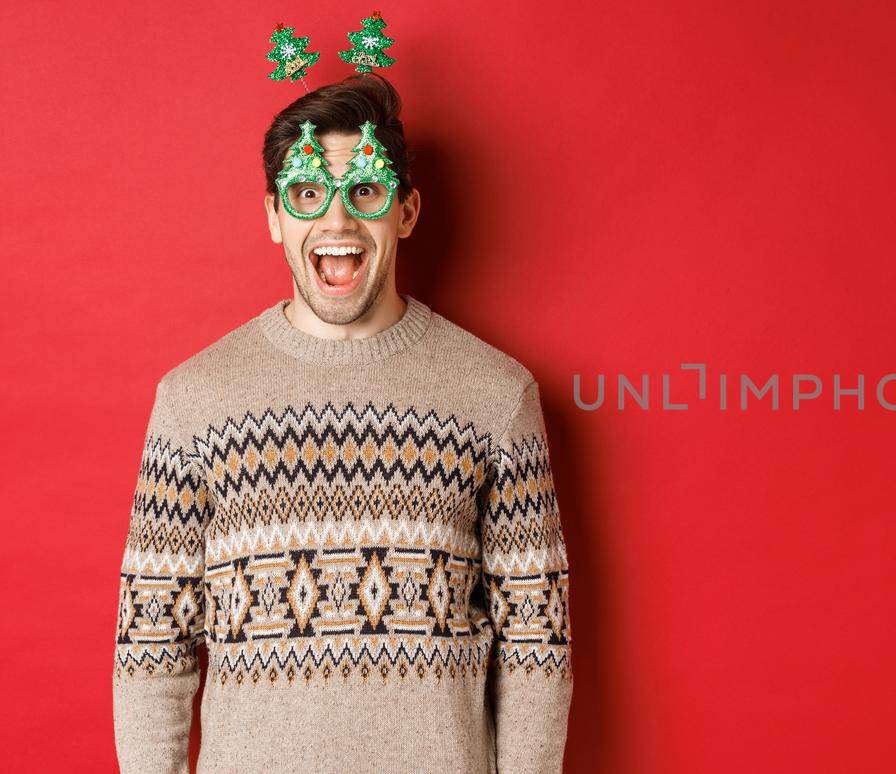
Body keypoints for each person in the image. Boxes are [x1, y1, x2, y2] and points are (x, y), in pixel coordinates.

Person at [110, 72, 573, 773]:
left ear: (407, 211)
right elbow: (151, 647)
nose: (335, 223)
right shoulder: (193, 402)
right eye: (306, 195)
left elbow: (537, 645)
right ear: (273, 215)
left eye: (364, 190)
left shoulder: (496, 397)